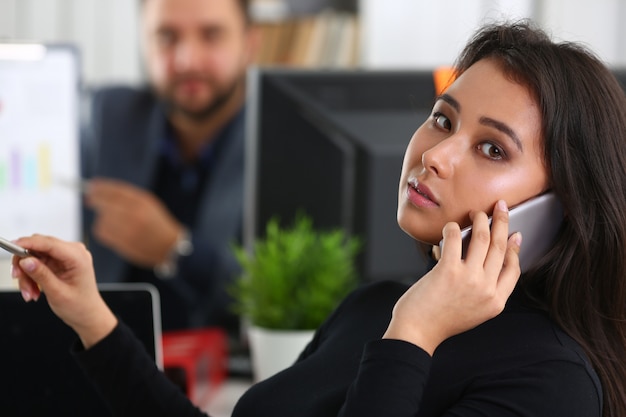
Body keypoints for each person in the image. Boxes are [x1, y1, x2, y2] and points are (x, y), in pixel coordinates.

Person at [12, 20, 626, 417]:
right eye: (442, 118)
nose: (435, 155)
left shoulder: (553, 384)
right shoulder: (371, 308)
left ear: (560, 207)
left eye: (492, 149)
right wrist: (90, 314)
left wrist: (414, 334)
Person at [80, 0, 258, 331]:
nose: (187, 60)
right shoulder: (110, 116)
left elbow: (282, 303)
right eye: (166, 36)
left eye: (211, 34)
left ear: (250, 43)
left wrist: (175, 250)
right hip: (108, 359)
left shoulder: (280, 140)